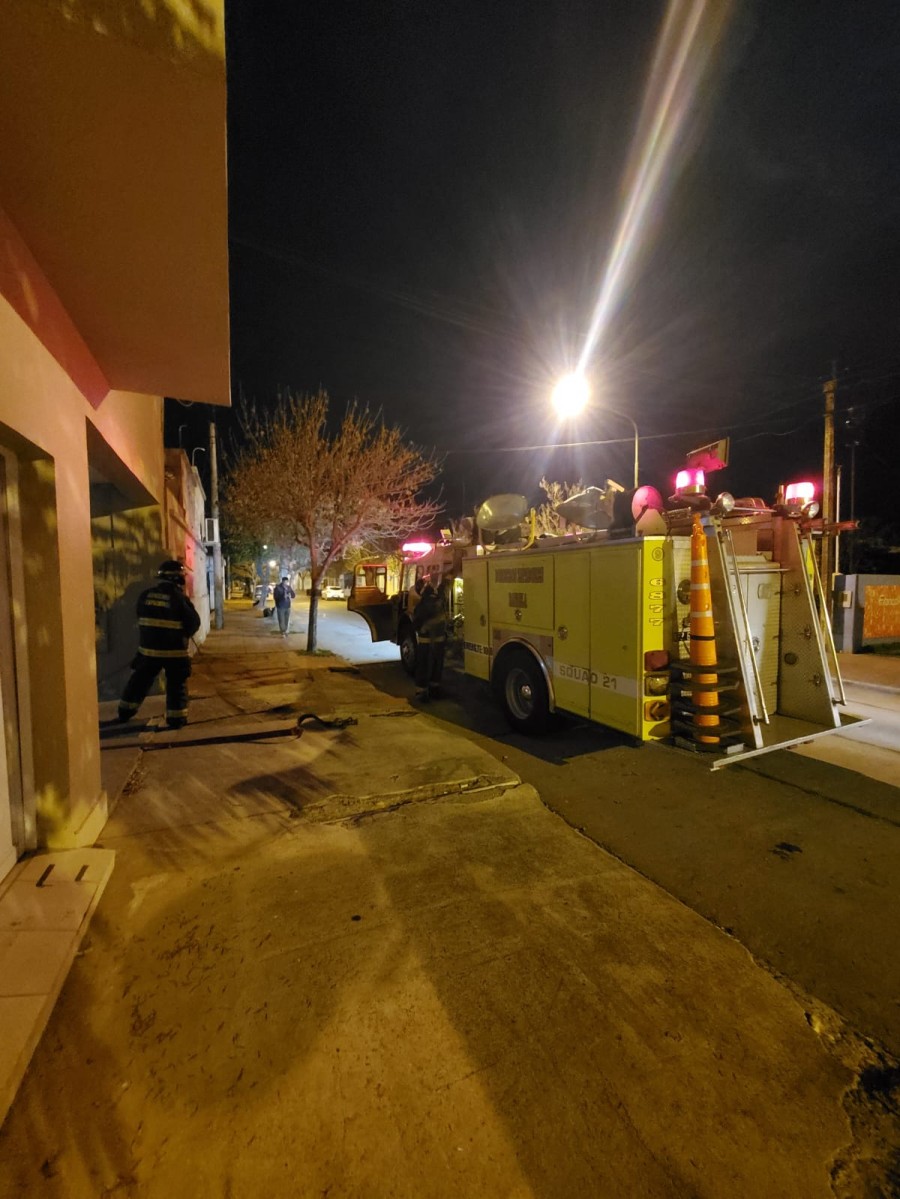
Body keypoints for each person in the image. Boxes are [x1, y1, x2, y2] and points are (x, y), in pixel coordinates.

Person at [118, 560, 201, 729]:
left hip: (148, 652)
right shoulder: (179, 598)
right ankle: (176, 719)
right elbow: (193, 623)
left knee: (139, 682)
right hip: (174, 653)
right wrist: (184, 633)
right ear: (177, 578)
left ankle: (125, 711)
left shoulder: (145, 595)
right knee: (176, 686)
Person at [411, 573, 448, 701]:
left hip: (425, 641)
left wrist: (422, 628)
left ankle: (422, 691)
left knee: (424, 665)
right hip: (437, 639)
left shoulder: (421, 604)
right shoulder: (438, 600)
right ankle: (433, 689)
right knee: (436, 665)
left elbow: (416, 623)